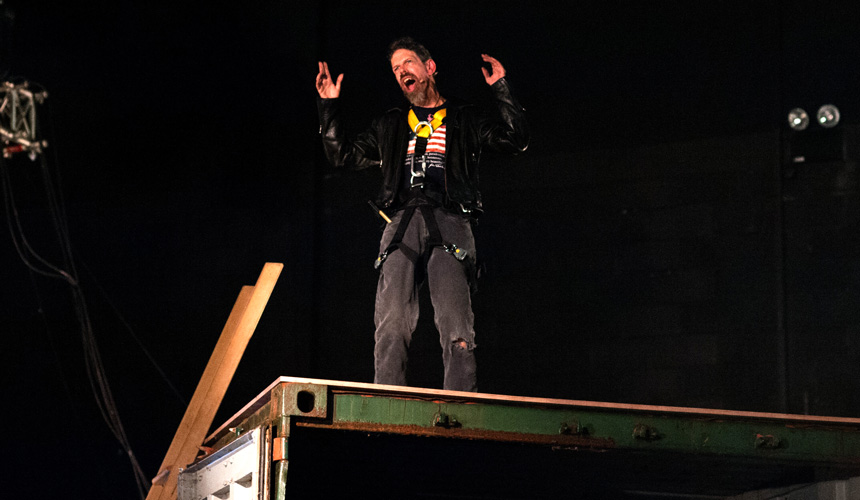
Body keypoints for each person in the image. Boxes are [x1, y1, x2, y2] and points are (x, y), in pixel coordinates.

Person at [315, 37, 528, 392]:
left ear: (429, 68)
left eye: (408, 64)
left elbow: (514, 139)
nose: (402, 72)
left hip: (450, 220)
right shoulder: (392, 123)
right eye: (396, 70)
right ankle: (387, 396)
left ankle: (460, 401)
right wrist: (328, 106)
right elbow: (344, 156)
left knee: (455, 320)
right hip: (401, 222)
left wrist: (501, 87)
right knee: (392, 317)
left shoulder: (464, 117)